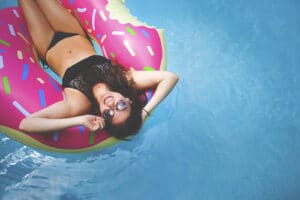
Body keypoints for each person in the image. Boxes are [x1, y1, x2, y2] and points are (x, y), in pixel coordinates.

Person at [18, 0, 178, 139]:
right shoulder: (124, 79)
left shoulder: (79, 103)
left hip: (46, 45)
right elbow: (170, 77)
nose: (111, 105)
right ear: (128, 100)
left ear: (102, 115)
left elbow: (27, 123)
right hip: (72, 31)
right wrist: (144, 113)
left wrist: (79, 120)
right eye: (121, 106)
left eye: (109, 114)